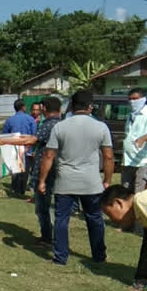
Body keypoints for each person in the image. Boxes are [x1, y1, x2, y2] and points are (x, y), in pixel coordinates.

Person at [38, 90, 113, 265]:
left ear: (72, 105)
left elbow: (48, 156)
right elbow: (108, 157)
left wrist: (42, 180)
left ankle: (60, 257)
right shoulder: (101, 127)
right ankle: (99, 255)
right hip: (91, 181)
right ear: (90, 106)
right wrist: (107, 180)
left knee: (62, 219)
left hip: (65, 180)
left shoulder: (60, 126)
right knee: (94, 218)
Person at [27, 97, 63, 245]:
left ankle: (47, 237)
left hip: (45, 171)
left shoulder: (47, 125)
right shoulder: (63, 124)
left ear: (44, 109)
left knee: (42, 207)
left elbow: (32, 140)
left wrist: (6, 141)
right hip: (60, 170)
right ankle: (57, 237)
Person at [100, 184, 147, 291]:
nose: (111, 220)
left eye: (109, 214)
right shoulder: (140, 210)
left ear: (118, 203)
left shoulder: (142, 202)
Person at [121, 88, 147, 226]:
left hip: (143, 160)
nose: (132, 102)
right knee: (126, 190)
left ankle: (140, 224)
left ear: (143, 99)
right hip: (128, 158)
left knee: (139, 193)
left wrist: (144, 138)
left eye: (135, 99)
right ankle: (127, 221)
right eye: (130, 99)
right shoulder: (131, 114)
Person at [2, 99, 37, 197]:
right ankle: (21, 190)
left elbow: (4, 135)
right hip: (27, 148)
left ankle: (15, 188)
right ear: (24, 107)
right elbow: (34, 134)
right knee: (25, 171)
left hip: (14, 148)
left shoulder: (10, 120)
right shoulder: (30, 119)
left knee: (15, 169)